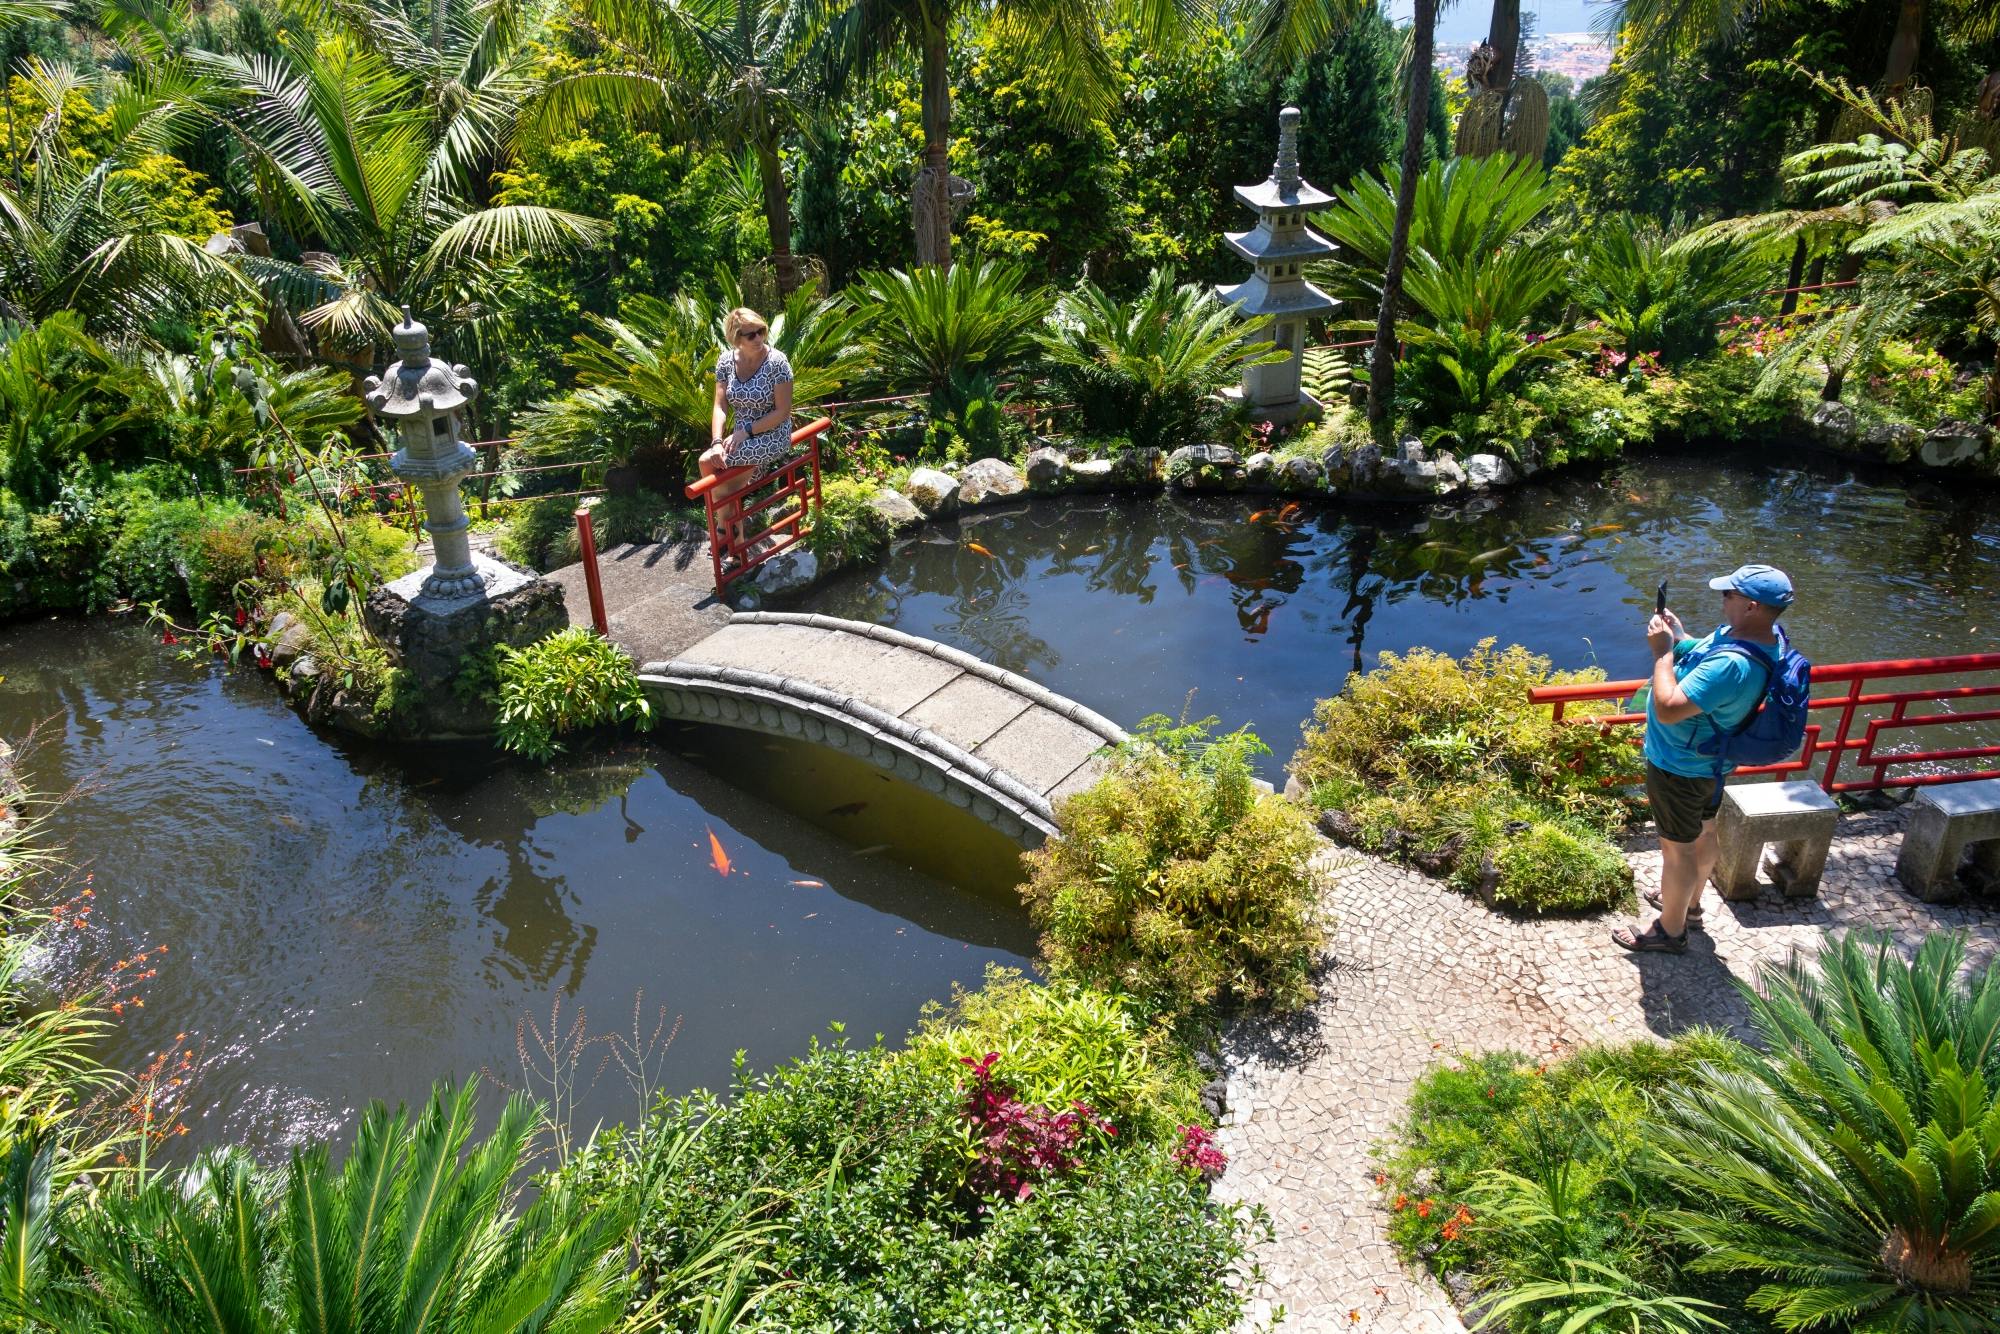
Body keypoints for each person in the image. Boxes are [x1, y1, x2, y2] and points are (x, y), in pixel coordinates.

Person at [1612, 563, 1795, 954]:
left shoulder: (1732, 665)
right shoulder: (1761, 637)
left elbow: (1669, 708)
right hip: (1711, 762)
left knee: (1676, 849)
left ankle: (1670, 930)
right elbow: (1711, 653)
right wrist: (1679, 637)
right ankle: (1689, 905)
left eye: (1728, 594)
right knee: (1705, 831)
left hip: (1680, 765)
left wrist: (1662, 653)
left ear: (1750, 605)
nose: (1722, 598)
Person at [701, 307, 794, 556]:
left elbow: (782, 412)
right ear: (736, 338)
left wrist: (746, 432)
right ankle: (736, 544)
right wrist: (717, 441)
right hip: (740, 438)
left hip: (772, 433)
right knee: (715, 463)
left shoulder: (777, 362)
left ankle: (723, 531)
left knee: (709, 466)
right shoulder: (725, 361)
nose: (759, 338)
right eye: (750, 335)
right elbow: (720, 405)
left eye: (761, 331)